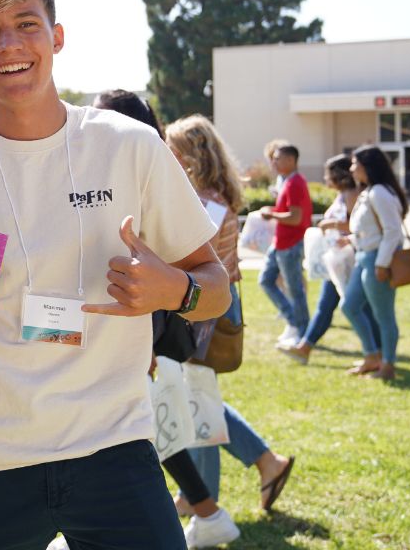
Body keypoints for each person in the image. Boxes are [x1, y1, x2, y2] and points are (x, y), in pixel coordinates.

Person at [0, 0, 230, 550]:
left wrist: (174, 291)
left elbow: (215, 285)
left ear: (56, 38)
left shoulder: (128, 145)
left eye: (26, 24)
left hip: (112, 446)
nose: (9, 44)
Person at [93, 95, 239, 548]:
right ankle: (205, 505)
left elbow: (208, 275)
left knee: (175, 410)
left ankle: (208, 505)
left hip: (163, 321)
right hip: (151, 324)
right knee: (166, 414)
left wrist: (158, 329)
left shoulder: (161, 182)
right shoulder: (133, 173)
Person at [164, 115, 295, 523]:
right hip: (214, 305)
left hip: (204, 310)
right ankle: (237, 476)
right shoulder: (216, 194)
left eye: (172, 147)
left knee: (197, 399)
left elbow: (195, 261)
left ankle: (231, 480)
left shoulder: (205, 201)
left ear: (190, 154)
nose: (165, 154)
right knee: (199, 397)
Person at [282, 154, 374, 365]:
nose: (325, 177)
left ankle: (376, 353)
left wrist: (330, 224)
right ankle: (305, 347)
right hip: (338, 259)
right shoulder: (342, 194)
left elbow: (354, 226)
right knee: (331, 304)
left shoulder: (352, 194)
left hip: (348, 258)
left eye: (328, 173)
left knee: (351, 305)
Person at [335, 146, 409, 380]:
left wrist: (382, 263)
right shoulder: (370, 191)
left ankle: (387, 365)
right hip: (365, 257)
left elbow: (393, 231)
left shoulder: (379, 192)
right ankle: (372, 356)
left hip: (377, 259)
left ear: (368, 166)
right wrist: (350, 240)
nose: (351, 168)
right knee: (349, 305)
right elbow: (371, 228)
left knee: (384, 315)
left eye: (355, 163)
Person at [257, 144, 313, 348]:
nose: (274, 162)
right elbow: (287, 211)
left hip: (291, 243)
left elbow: (296, 218)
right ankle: (293, 322)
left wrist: (271, 214)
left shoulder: (295, 183)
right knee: (265, 280)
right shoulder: (288, 182)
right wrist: (272, 210)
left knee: (294, 289)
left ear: (291, 160)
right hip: (280, 242)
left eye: (278, 158)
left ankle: (303, 332)